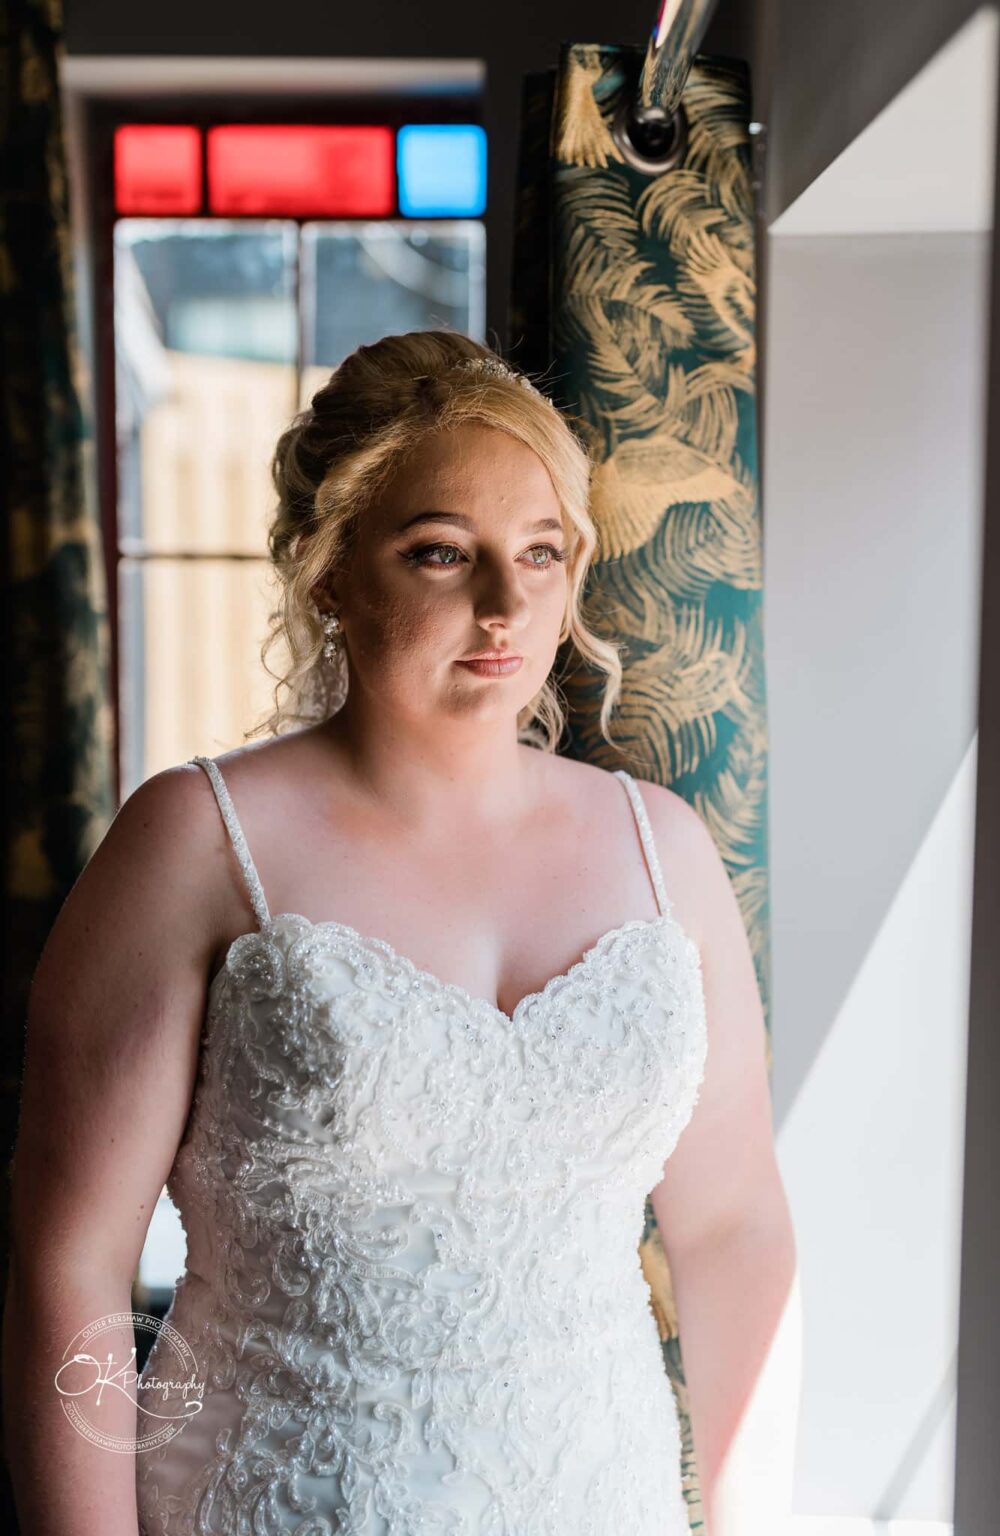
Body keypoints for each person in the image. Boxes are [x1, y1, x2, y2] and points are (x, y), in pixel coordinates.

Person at [3, 330, 797, 1535]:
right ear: (332, 571)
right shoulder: (197, 843)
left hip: (603, 1499)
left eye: (542, 552)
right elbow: (71, 1264)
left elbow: (735, 1230)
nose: (506, 604)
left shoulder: (663, 849)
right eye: (442, 553)